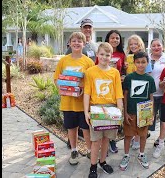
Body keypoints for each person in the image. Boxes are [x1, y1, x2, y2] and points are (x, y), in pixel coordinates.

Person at [53, 32, 95, 165]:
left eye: (79, 41)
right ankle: (74, 150)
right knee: (71, 128)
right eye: (74, 41)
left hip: (83, 104)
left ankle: (89, 150)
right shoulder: (63, 60)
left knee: (86, 129)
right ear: (69, 43)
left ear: (84, 44)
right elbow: (56, 78)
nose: (77, 43)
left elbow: (92, 80)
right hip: (68, 102)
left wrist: (84, 88)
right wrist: (60, 88)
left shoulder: (88, 62)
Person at [83, 42, 124, 178]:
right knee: (96, 140)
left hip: (111, 110)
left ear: (111, 56)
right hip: (96, 109)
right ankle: (93, 165)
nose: (105, 57)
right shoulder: (90, 72)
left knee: (107, 138)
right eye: (102, 54)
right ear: (97, 55)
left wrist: (120, 112)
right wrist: (86, 112)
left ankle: (103, 161)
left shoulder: (115, 73)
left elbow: (118, 94)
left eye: (107, 55)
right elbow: (87, 93)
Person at [119, 51, 156, 171]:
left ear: (147, 63)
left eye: (143, 62)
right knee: (128, 135)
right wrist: (125, 113)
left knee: (143, 135)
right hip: (130, 112)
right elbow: (125, 96)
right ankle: (126, 155)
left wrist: (152, 113)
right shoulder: (129, 77)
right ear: (134, 63)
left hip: (144, 113)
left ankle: (141, 154)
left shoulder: (149, 79)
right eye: (138, 62)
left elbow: (151, 97)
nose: (140, 65)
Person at [95, 30, 126, 154]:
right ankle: (103, 146)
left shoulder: (122, 54)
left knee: (113, 116)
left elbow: (122, 71)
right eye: (112, 38)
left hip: (115, 88)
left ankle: (111, 141)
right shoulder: (103, 53)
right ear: (108, 39)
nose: (115, 40)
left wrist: (123, 75)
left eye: (117, 38)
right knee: (103, 118)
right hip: (102, 89)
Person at [124, 34, 152, 150]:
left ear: (140, 44)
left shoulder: (145, 58)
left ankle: (137, 140)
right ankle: (132, 139)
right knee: (132, 118)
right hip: (131, 91)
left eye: (136, 43)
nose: (133, 46)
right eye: (131, 44)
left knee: (141, 118)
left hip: (142, 92)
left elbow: (148, 75)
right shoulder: (128, 58)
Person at [147, 38, 165, 147]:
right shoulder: (147, 58)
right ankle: (144, 134)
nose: (156, 47)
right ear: (150, 47)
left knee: (164, 117)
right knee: (148, 117)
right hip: (150, 94)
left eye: (158, 45)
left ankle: (160, 138)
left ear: (163, 46)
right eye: (154, 46)